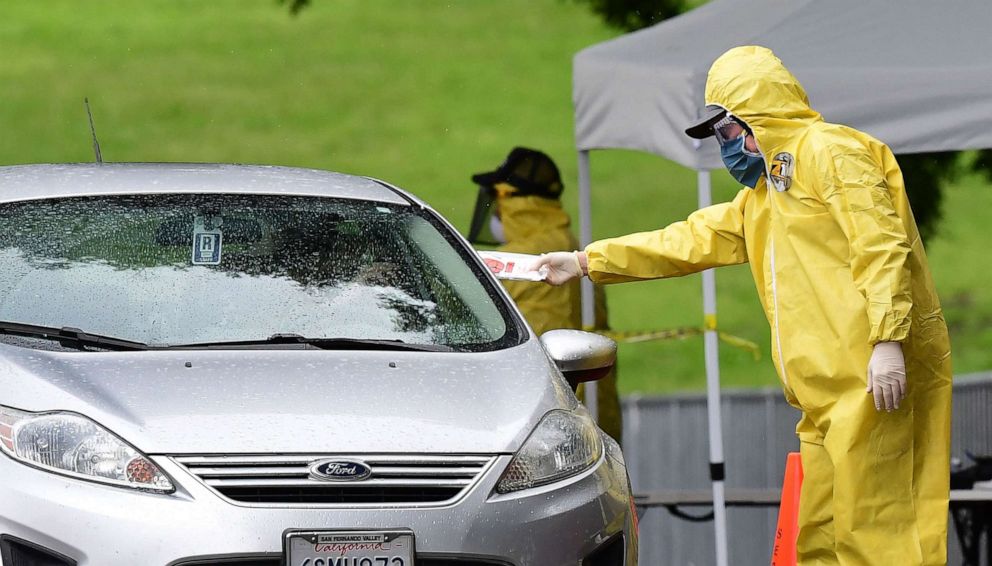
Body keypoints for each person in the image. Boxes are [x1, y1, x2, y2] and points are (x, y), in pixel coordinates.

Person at [532, 46, 952, 565]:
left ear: (756, 118)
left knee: (880, 538)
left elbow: (882, 245)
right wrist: (584, 261)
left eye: (726, 132)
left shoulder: (830, 151)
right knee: (820, 540)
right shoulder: (766, 196)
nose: (724, 148)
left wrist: (888, 341)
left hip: (874, 380)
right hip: (825, 397)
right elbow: (686, 240)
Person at [468, 147, 622, 443]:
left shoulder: (510, 262)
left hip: (536, 414)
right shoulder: (578, 252)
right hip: (597, 414)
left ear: (510, 201)